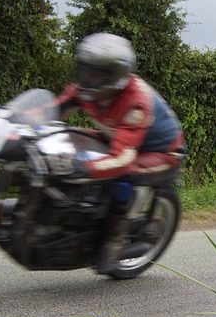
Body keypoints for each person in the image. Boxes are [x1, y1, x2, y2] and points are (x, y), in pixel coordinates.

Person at [55, 32, 186, 274]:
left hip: (161, 151)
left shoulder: (136, 103)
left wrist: (82, 168)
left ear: (114, 77)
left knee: (122, 174)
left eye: (95, 74)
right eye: (84, 70)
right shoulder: (85, 89)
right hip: (119, 136)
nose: (87, 78)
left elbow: (121, 160)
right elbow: (52, 111)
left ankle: (113, 241)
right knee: (68, 136)